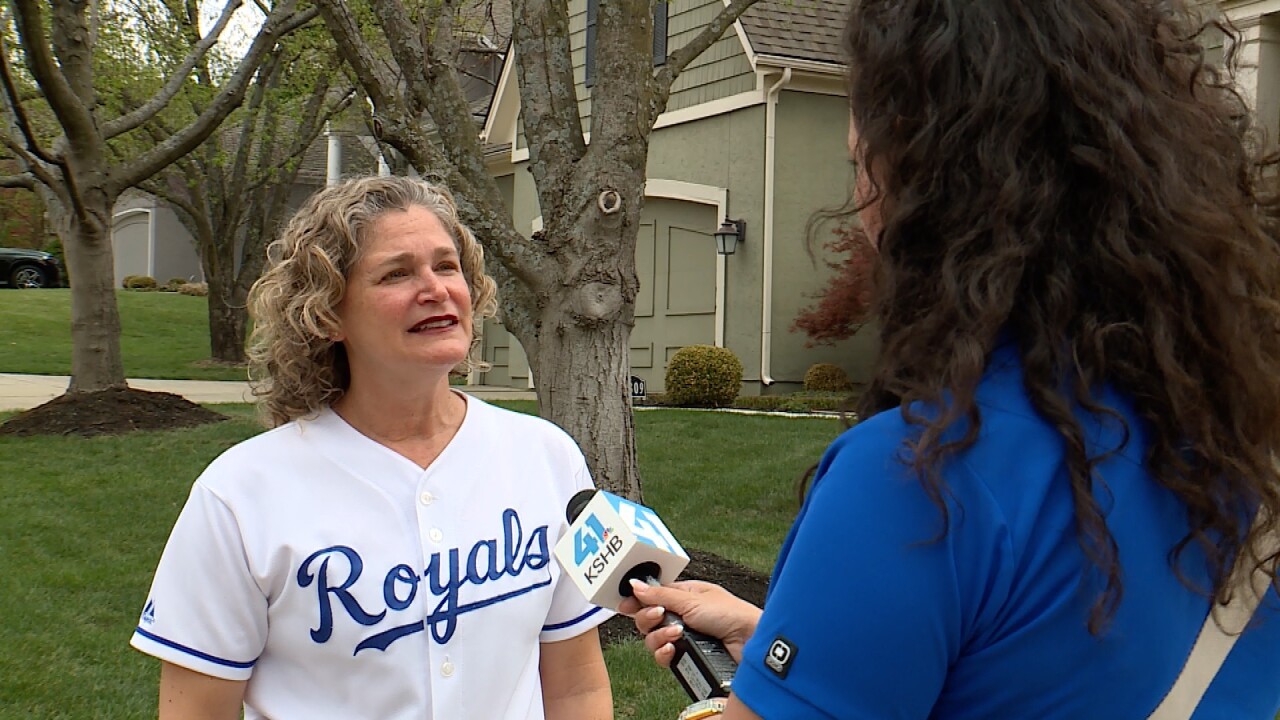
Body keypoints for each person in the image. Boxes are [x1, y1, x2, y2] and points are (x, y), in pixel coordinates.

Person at [624, 1, 1280, 717]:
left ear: (924, 185)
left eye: (859, 164)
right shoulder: (1240, 447)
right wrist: (789, 653)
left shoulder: (919, 480)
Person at [130, 176, 613, 720]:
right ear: (327, 314)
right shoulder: (240, 495)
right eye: (396, 273)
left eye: (446, 266)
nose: (435, 289)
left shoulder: (547, 458)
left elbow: (575, 687)